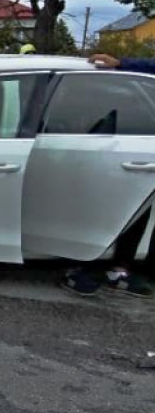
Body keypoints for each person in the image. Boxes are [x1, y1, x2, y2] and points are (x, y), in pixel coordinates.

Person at [60, 51, 155, 298]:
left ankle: (114, 269)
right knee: (118, 208)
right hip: (115, 149)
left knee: (133, 210)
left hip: (132, 150)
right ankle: (92, 266)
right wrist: (124, 63)